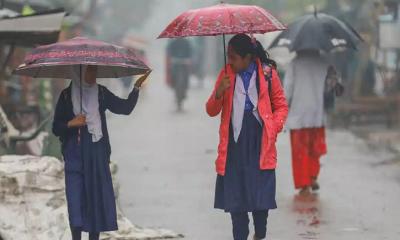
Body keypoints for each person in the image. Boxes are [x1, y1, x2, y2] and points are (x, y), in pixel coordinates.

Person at [52, 65, 150, 240]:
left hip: (97, 155)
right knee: (75, 202)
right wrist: (71, 124)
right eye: (90, 70)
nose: (93, 74)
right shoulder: (66, 96)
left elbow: (125, 108)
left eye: (95, 70)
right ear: (79, 72)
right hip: (74, 156)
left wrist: (136, 88)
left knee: (94, 202)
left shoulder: (101, 93)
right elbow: (56, 128)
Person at [206, 34, 288, 240]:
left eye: (233, 57)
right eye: (228, 57)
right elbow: (211, 110)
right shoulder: (225, 74)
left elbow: (281, 106)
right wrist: (219, 92)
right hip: (234, 146)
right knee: (237, 203)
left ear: (248, 57)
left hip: (260, 144)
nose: (230, 61)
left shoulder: (268, 74)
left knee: (260, 201)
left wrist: (273, 127)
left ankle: (259, 234)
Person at [284, 49, 342, 195]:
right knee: (314, 148)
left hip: (299, 113)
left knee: (299, 150)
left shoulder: (294, 64)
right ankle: (312, 176)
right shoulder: (324, 62)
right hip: (317, 113)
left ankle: (304, 184)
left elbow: (288, 89)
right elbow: (335, 85)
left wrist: (284, 107)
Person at [166, 38, 193, 111]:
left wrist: (189, 60)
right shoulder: (173, 43)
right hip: (175, 64)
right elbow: (169, 51)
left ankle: (185, 89)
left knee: (186, 78)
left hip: (184, 64)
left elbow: (190, 53)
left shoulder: (187, 43)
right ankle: (174, 86)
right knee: (173, 77)